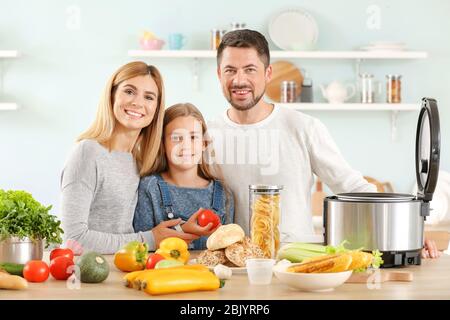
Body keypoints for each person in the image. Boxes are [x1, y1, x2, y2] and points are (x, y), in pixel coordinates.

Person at [207, 29, 441, 259]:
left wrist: (408, 231)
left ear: (268, 73)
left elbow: (352, 187)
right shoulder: (205, 135)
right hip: (232, 265)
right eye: (230, 70)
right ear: (219, 74)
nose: (239, 80)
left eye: (250, 69)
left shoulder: (303, 127)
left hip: (293, 265)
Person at [60, 62, 198, 254]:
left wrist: (181, 230)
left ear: (156, 109)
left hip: (124, 269)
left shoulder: (139, 160)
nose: (137, 103)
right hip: (89, 276)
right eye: (129, 91)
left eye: (149, 97)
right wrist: (150, 240)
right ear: (112, 95)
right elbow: (73, 239)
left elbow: (126, 233)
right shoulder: (88, 153)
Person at [133, 103, 234, 250]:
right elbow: (142, 246)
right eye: (176, 138)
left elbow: (226, 248)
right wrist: (183, 229)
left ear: (204, 143)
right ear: (162, 144)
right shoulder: (150, 187)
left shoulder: (224, 194)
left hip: (207, 273)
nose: (186, 145)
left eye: (193, 137)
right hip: (163, 272)